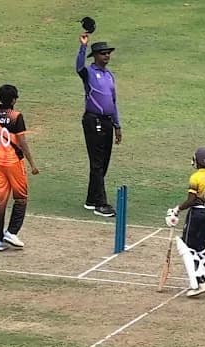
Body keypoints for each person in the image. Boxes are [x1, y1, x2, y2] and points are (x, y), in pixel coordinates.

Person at [165, 146, 205, 297]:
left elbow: (191, 200)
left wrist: (176, 210)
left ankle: (200, 282)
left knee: (187, 247)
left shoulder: (195, 178)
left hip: (196, 214)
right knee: (201, 247)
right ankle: (201, 280)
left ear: (197, 161)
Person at [0, 84, 39, 251]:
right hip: (13, 163)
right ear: (13, 99)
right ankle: (11, 232)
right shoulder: (16, 116)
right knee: (21, 197)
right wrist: (32, 164)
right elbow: (22, 142)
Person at [76, 33, 121, 217]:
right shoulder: (89, 73)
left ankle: (91, 199)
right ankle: (100, 204)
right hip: (93, 120)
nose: (106, 56)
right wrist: (83, 46)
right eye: (103, 53)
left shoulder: (109, 75)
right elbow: (78, 67)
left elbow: (113, 101)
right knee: (97, 162)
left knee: (103, 162)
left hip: (107, 121)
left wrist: (117, 126)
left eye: (108, 53)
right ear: (95, 56)